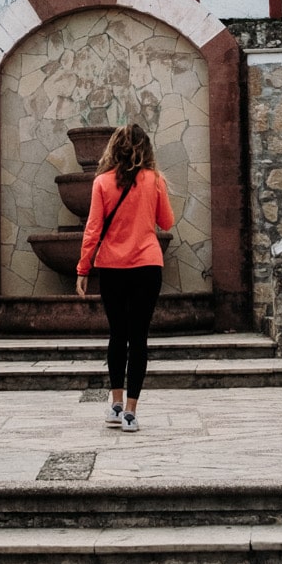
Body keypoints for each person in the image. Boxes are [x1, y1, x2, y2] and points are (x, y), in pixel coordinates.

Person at [75, 122, 174, 434]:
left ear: (113, 148)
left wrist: (83, 268)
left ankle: (115, 404)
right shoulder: (155, 180)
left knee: (118, 335)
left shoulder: (102, 182)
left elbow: (92, 229)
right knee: (139, 337)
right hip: (147, 266)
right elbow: (167, 221)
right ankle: (132, 412)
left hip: (113, 268)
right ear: (146, 149)